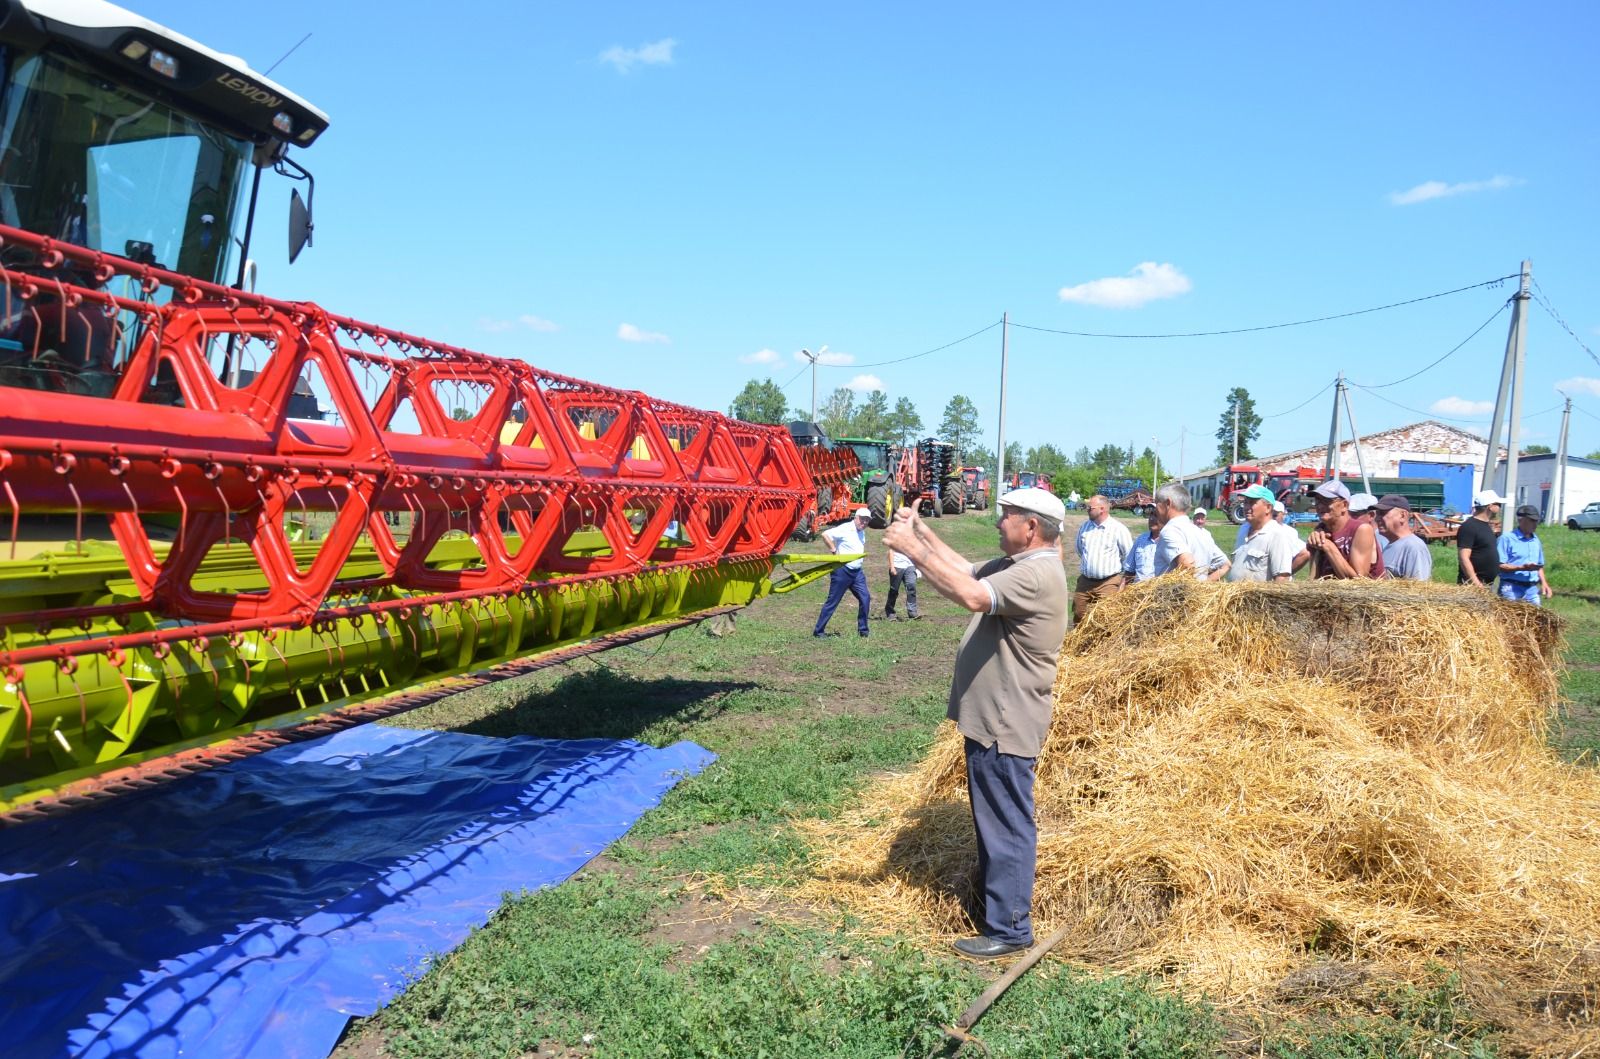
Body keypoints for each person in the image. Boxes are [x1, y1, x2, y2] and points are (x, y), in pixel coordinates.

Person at [882, 487, 1068, 960]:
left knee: (1006, 823)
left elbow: (968, 594)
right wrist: (922, 535)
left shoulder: (1037, 574)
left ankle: (1009, 929)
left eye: (1006, 516)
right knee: (997, 818)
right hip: (993, 719)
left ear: (1031, 527)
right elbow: (967, 570)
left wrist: (910, 550)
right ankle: (997, 913)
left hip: (1006, 721)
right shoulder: (1021, 565)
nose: (998, 522)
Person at [1293, 480, 1384, 579]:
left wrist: (1329, 547)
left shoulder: (1361, 529)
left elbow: (1359, 581)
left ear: (1344, 505)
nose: (1319, 506)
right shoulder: (1321, 529)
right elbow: (1315, 577)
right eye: (1317, 501)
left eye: (1326, 501)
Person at [1073, 494, 1132, 625]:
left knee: (1106, 619)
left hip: (1108, 582)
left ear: (1102, 509)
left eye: (1090, 507)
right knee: (1079, 613)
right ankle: (1081, 643)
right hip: (1085, 581)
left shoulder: (1118, 529)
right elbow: (1079, 549)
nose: (1087, 509)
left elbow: (1128, 554)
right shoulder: (1084, 527)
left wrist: (1122, 579)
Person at [813, 507, 872, 638]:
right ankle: (818, 631)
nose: (864, 522)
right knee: (833, 601)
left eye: (867, 520)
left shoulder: (861, 531)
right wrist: (834, 551)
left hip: (857, 573)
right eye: (862, 519)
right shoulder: (845, 528)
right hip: (842, 571)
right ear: (856, 517)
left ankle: (863, 631)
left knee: (865, 598)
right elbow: (825, 534)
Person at [1152, 482, 1230, 581]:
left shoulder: (1170, 531)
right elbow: (1226, 564)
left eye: (1157, 503)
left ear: (1168, 503)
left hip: (1177, 596)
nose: (1155, 509)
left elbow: (1188, 565)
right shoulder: (1202, 533)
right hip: (1198, 595)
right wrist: (1203, 586)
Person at [1228, 484, 1300, 582]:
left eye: (1252, 503)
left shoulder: (1277, 535)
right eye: (1245, 502)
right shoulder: (1244, 529)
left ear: (1268, 508)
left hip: (1258, 597)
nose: (1246, 507)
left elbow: (1282, 578)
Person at [1497, 504, 1553, 605]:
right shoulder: (1506, 539)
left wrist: (1544, 583)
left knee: (1536, 619)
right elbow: (1499, 565)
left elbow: (1539, 566)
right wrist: (1521, 568)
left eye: (1536, 521)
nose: (1535, 524)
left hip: (1531, 589)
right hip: (1510, 587)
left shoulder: (1535, 540)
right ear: (1521, 520)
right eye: (1532, 520)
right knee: (1510, 619)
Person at [1374, 494, 1432, 581]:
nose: (1377, 518)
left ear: (1402, 516)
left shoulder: (1414, 547)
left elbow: (1418, 590)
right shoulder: (1390, 545)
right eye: (1377, 514)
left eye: (1382, 513)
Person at [1456, 489, 1504, 588]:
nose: (1500, 507)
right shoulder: (1469, 526)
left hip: (1486, 584)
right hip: (1472, 586)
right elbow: (1464, 557)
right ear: (1490, 506)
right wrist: (1476, 583)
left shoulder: (1486, 525)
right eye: (1498, 504)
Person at [1124, 509, 1165, 583]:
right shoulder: (1141, 539)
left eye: (1156, 515)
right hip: (1138, 590)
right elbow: (1129, 571)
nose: (1151, 518)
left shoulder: (1169, 541)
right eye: (1151, 515)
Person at [884, 541, 921, 621]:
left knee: (911, 587)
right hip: (897, 566)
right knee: (894, 590)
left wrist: (917, 567)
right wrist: (892, 566)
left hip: (910, 566)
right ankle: (890, 612)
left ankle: (912, 612)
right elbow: (891, 551)